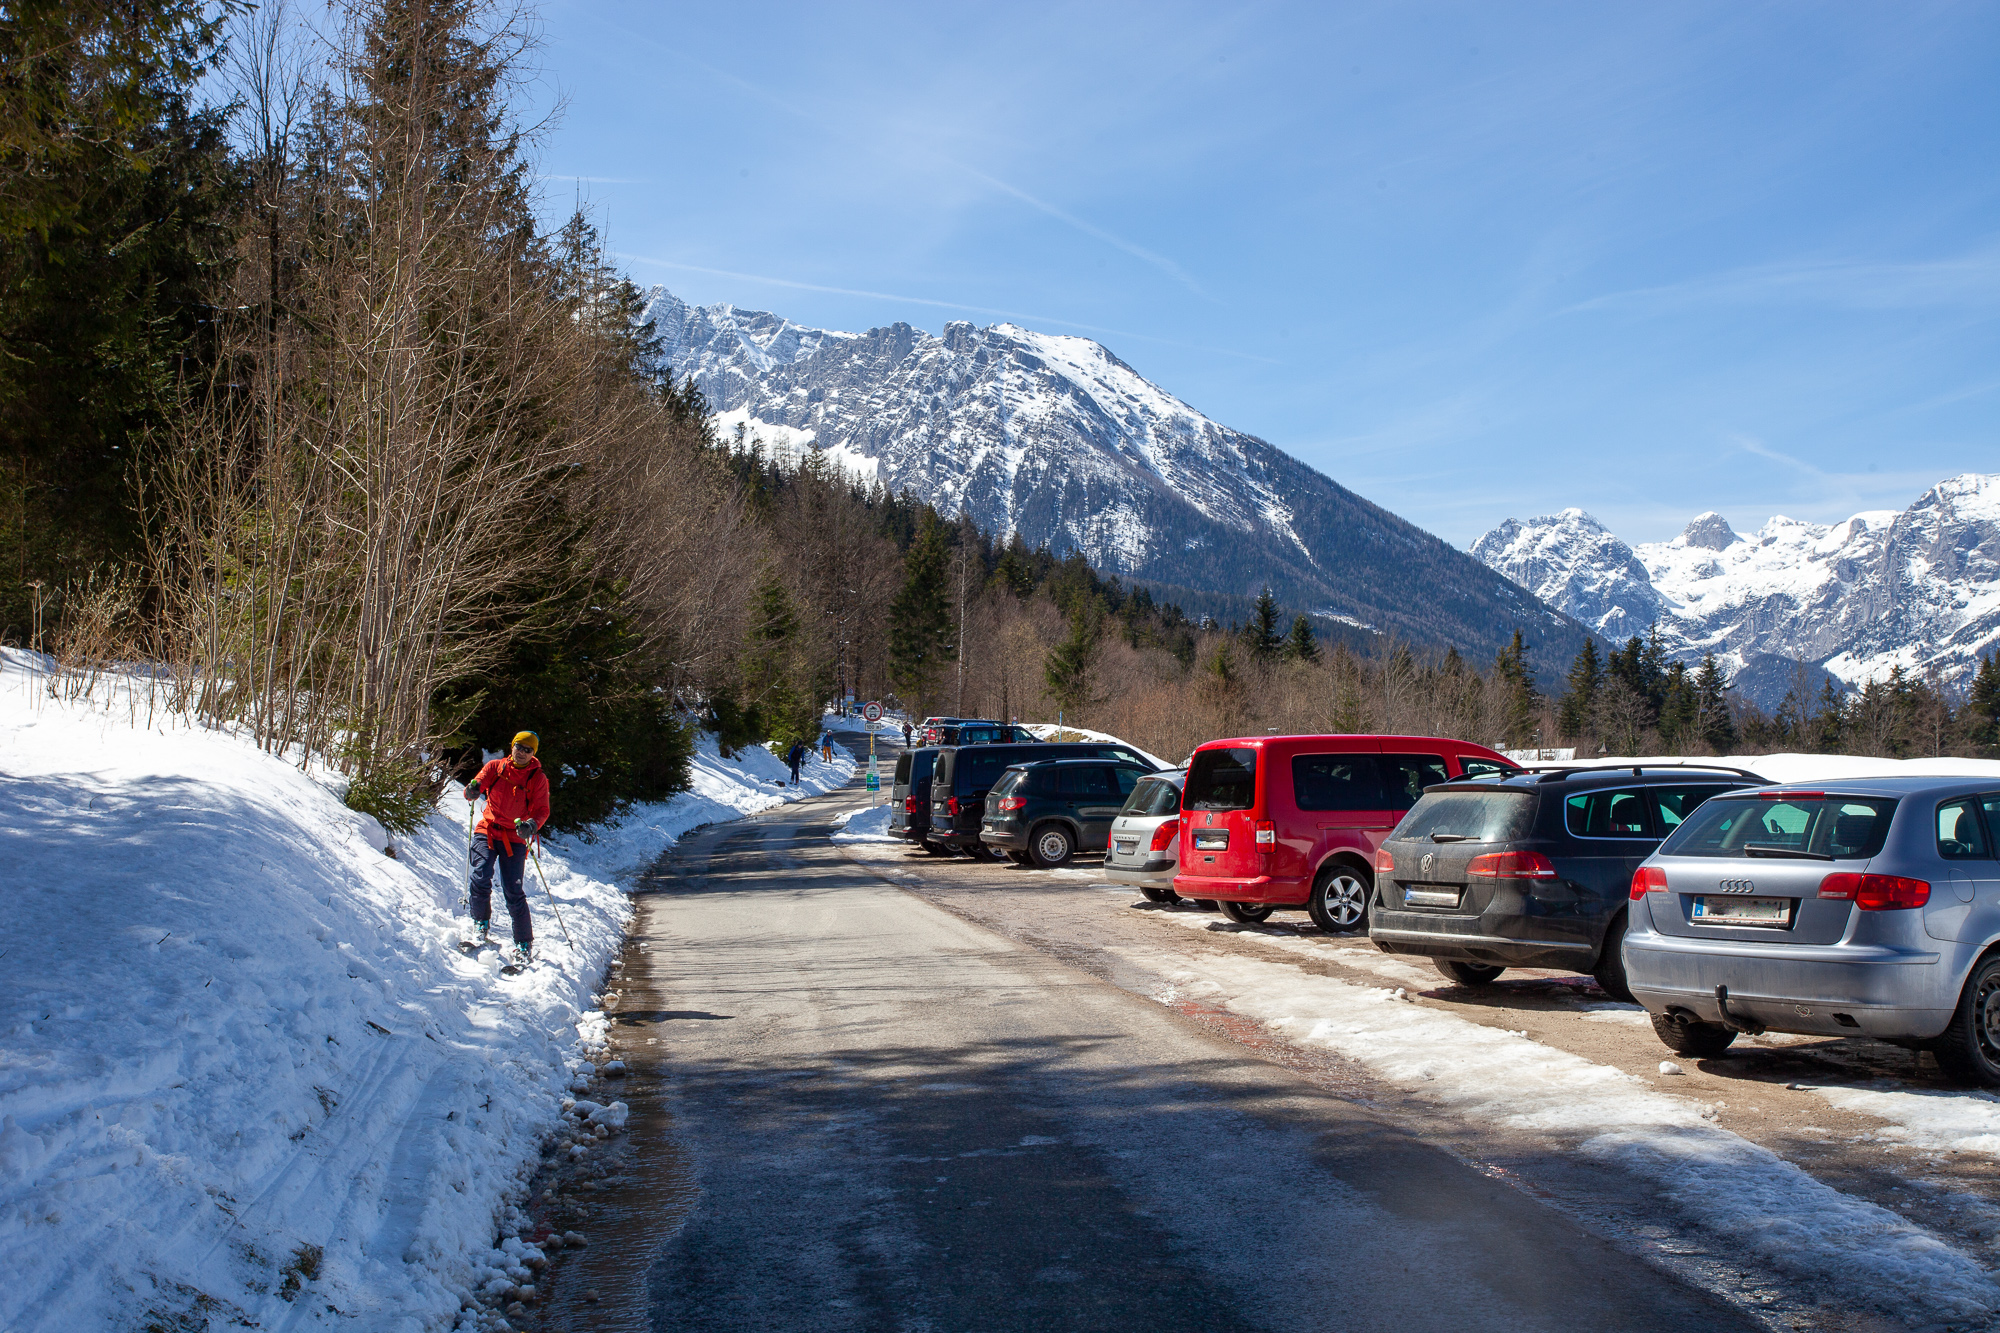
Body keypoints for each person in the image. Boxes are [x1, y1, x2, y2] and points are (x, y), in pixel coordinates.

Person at [464, 731, 550, 965]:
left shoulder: (537, 778)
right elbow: (477, 784)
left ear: (533, 754)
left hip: (515, 837)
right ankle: (480, 923)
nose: (522, 752)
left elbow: (542, 810)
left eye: (527, 749)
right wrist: (471, 791)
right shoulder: (495, 767)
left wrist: (531, 825)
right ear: (511, 747)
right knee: (480, 874)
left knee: (513, 890)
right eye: (519, 747)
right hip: (488, 830)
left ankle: (523, 943)